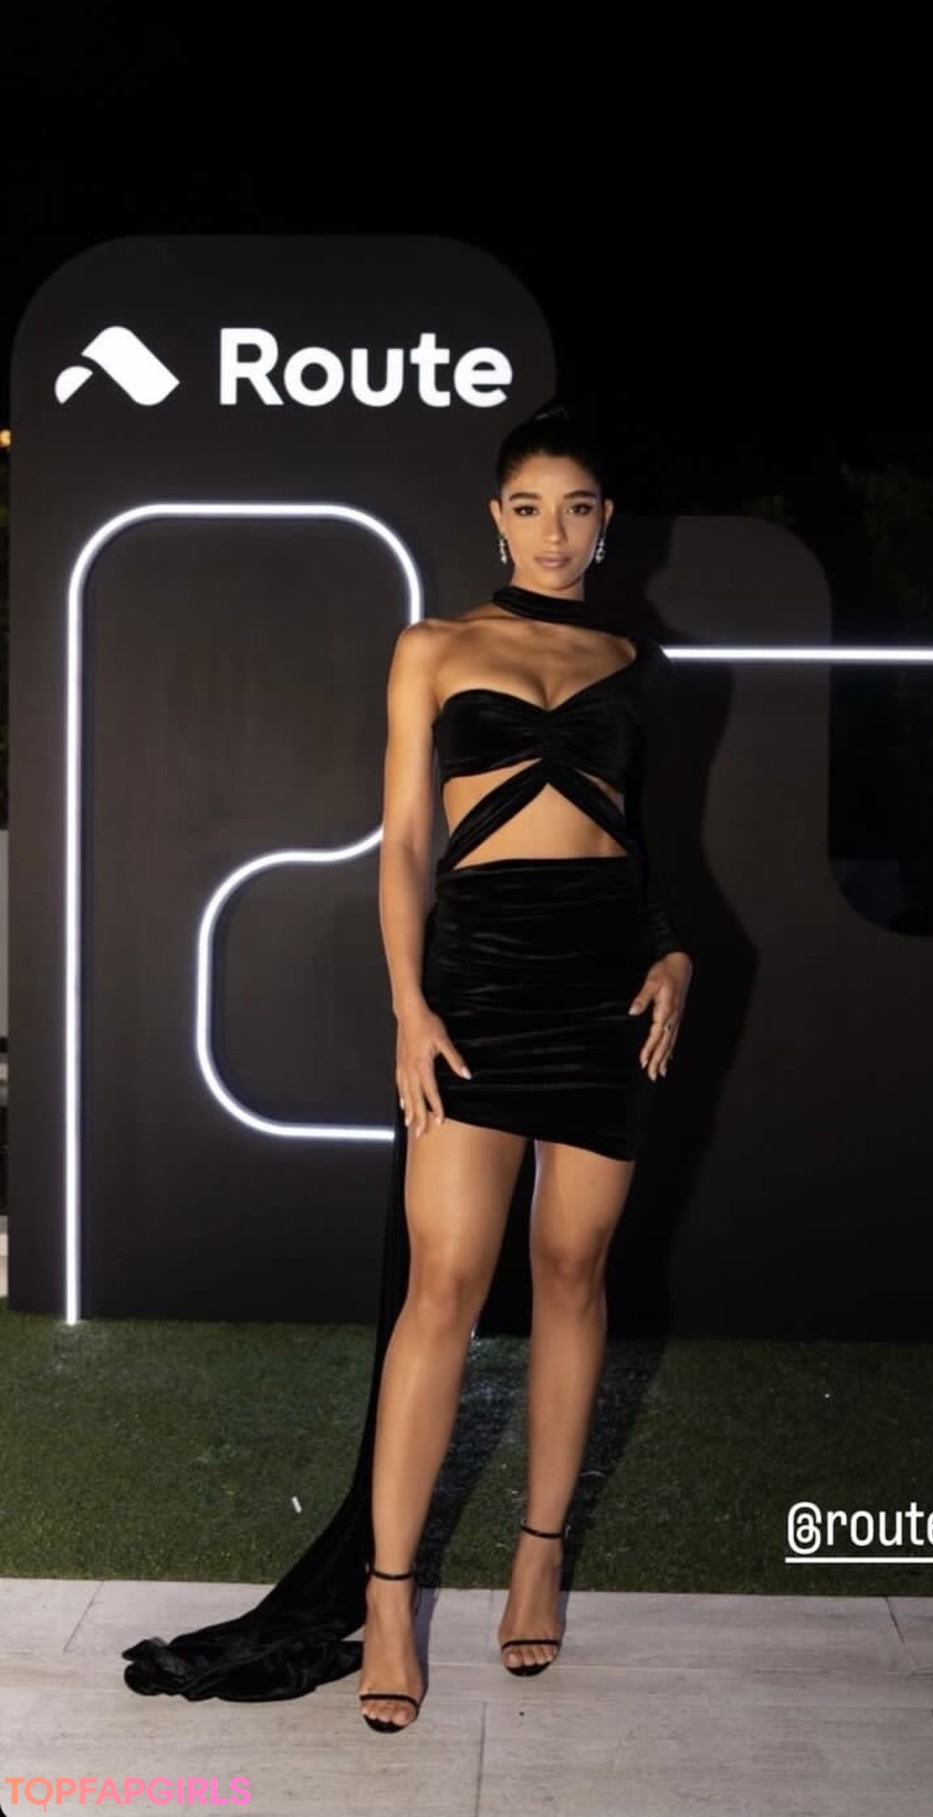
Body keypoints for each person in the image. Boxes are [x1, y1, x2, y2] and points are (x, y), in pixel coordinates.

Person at [120, 404, 692, 1731]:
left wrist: (674, 955)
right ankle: (386, 1597)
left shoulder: (631, 660)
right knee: (443, 1284)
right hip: (478, 981)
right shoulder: (432, 645)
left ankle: (538, 1557)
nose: (554, 530)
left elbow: (644, 841)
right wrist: (408, 1007)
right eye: (531, 506)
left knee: (573, 1269)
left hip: (605, 985)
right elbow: (402, 846)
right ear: (497, 517)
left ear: (605, 523)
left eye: (579, 507)